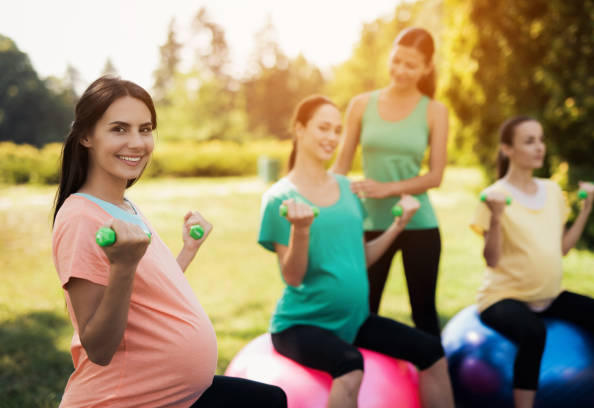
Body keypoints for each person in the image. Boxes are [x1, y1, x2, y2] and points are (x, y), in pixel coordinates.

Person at [52, 76, 286, 408]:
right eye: (119, 129)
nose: (137, 142)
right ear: (87, 135)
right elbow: (99, 348)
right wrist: (123, 266)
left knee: (269, 400)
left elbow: (143, 295)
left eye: (145, 129)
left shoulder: (124, 206)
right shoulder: (80, 218)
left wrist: (187, 251)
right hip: (125, 400)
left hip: (176, 395)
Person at [258, 95, 454, 408]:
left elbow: (360, 258)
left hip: (354, 319)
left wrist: (398, 225)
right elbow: (293, 277)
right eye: (323, 128)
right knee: (350, 366)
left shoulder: (347, 189)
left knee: (432, 352)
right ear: (299, 129)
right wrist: (302, 229)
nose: (332, 138)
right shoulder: (280, 198)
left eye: (337, 130)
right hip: (301, 324)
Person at [471, 115, 594, 408]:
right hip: (503, 298)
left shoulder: (551, 191)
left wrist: (585, 209)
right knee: (533, 333)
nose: (539, 147)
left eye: (541, 139)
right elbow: (492, 259)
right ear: (507, 149)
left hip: (548, 297)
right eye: (529, 141)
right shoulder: (494, 196)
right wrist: (496, 217)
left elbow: (561, 248)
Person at [331, 27, 448, 337]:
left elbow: (435, 176)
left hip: (419, 225)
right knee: (363, 313)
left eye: (411, 65)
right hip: (369, 223)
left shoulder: (435, 111)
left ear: (427, 68)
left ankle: (437, 382)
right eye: (396, 60)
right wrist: (321, 196)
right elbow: (341, 164)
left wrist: (388, 189)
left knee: (424, 315)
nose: (400, 70)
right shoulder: (360, 104)